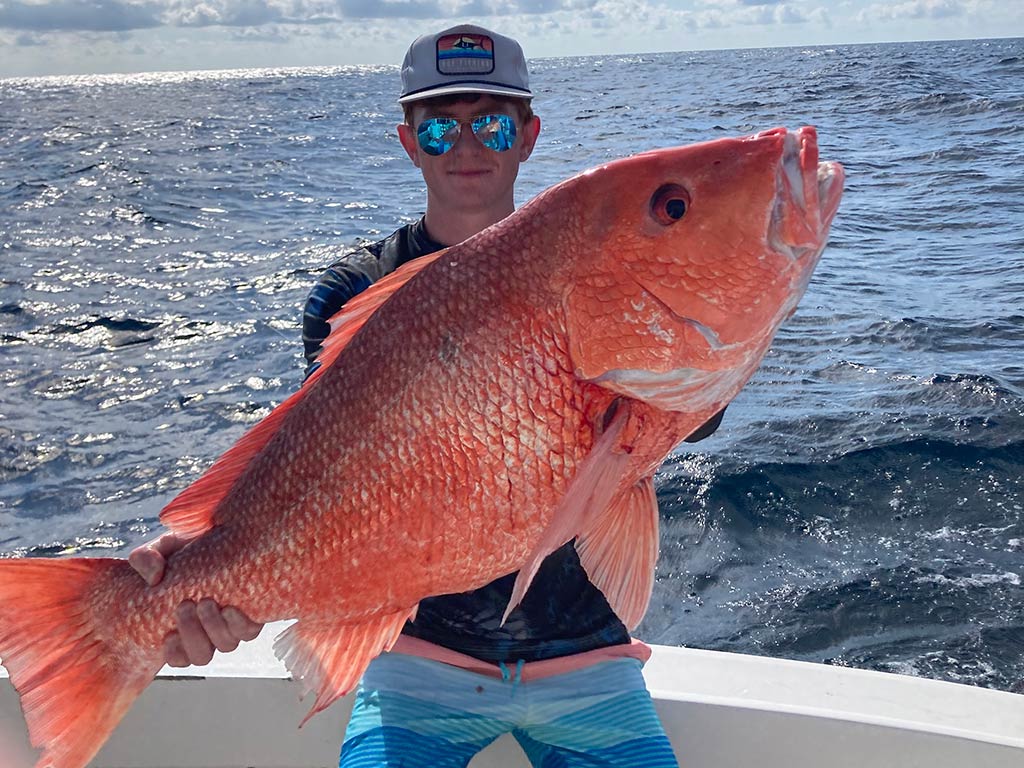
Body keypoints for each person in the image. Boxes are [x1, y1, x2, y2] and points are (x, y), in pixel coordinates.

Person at [130, 23, 726, 767]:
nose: (468, 144)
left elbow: (684, 411)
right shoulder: (352, 291)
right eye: (441, 127)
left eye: (492, 122)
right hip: (416, 660)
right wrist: (210, 555)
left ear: (529, 135)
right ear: (409, 142)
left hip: (590, 662)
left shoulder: (595, 270)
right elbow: (317, 472)